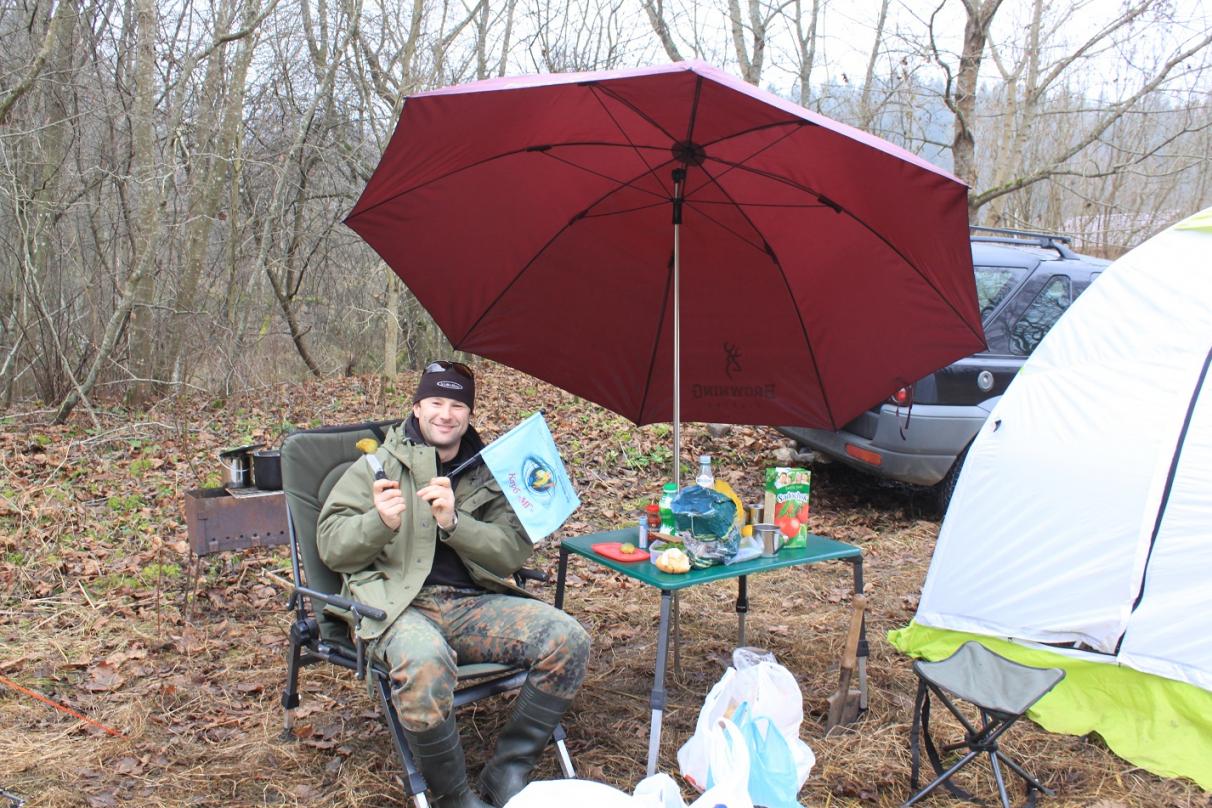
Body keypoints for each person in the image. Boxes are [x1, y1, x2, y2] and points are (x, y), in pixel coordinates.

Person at [317, 361, 591, 808]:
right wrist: (379, 522)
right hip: (399, 605)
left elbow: (510, 552)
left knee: (568, 639)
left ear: (469, 413)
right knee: (424, 661)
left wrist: (455, 523)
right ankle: (453, 796)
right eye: (436, 402)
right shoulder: (378, 465)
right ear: (417, 408)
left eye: (457, 405)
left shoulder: (491, 470)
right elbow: (331, 546)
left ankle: (508, 771)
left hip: (471, 605)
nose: (446, 414)